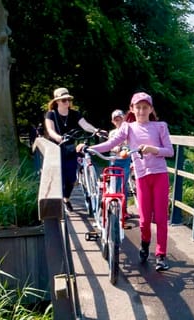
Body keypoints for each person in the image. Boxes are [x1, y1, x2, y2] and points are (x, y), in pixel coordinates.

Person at [79, 92, 175, 271]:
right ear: (132, 109)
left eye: (145, 107)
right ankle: (145, 244)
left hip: (160, 174)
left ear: (151, 109)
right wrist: (89, 148)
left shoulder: (160, 126)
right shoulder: (128, 128)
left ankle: (161, 255)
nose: (141, 111)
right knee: (145, 220)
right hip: (142, 176)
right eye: (138, 107)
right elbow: (110, 144)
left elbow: (170, 151)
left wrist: (153, 149)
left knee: (161, 218)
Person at [43, 87, 104, 211]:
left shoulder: (75, 114)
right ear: (57, 102)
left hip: (70, 149)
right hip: (56, 149)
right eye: (63, 100)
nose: (66, 102)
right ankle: (60, 201)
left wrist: (96, 131)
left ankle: (66, 199)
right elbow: (50, 130)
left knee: (71, 178)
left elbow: (85, 124)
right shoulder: (51, 114)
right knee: (60, 177)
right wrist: (59, 138)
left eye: (68, 100)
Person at [107, 109, 133, 214]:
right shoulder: (112, 133)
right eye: (116, 120)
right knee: (114, 183)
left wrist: (126, 149)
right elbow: (110, 145)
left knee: (124, 184)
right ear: (113, 122)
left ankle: (124, 209)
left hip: (125, 160)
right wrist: (115, 148)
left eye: (120, 119)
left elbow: (131, 145)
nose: (119, 122)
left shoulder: (129, 132)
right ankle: (113, 206)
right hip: (114, 160)